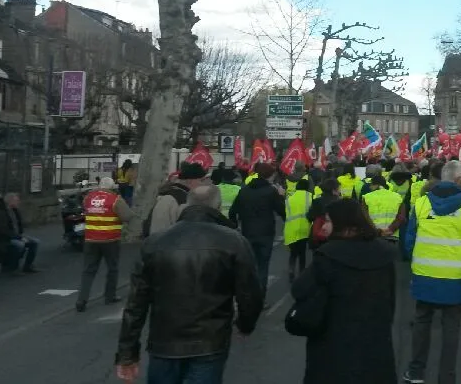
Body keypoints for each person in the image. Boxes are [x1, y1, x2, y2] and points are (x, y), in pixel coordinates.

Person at [115, 185, 263, 384]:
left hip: (164, 341)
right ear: (217, 206)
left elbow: (136, 303)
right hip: (210, 341)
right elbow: (250, 294)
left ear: (186, 205)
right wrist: (245, 325)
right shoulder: (233, 241)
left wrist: (127, 353)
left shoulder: (155, 243)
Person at [288, 198, 398, 383]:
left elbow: (300, 289)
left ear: (343, 224)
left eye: (328, 221)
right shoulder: (384, 254)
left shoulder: (328, 256)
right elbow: (390, 301)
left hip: (333, 349)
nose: (323, 227)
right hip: (375, 347)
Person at [403, 160, 461, 384]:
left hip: (424, 274)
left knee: (422, 322)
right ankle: (446, 376)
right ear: (459, 180)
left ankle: (416, 371)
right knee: (451, 328)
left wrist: (416, 263)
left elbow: (409, 240)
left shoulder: (420, 204)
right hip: (455, 277)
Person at [76, 178, 139, 312]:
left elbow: (86, 210)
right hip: (110, 240)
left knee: (88, 271)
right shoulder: (115, 199)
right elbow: (127, 216)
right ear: (112, 187)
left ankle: (82, 299)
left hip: (91, 240)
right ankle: (110, 296)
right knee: (112, 268)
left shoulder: (88, 198)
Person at [229, 162, 285, 295]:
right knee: (263, 266)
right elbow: (282, 211)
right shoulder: (271, 191)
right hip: (266, 233)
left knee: (249, 265)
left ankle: (247, 294)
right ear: (269, 176)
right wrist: (281, 197)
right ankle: (260, 296)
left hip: (247, 232)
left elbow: (232, 212)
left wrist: (235, 225)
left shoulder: (244, 190)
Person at [148, 162, 207, 235]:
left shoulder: (171, 195)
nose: (204, 184)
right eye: (201, 180)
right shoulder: (177, 199)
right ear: (189, 180)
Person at [0, 193, 40, 274]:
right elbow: (2, 230)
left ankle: (28, 266)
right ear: (10, 202)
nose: (18, 202)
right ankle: (12, 267)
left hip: (15, 236)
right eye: (16, 201)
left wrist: (20, 235)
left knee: (35, 242)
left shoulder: (15, 211)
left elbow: (18, 224)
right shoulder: (1, 213)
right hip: (4, 239)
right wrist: (18, 237)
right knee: (20, 244)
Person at [284, 177, 313, 283]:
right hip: (304, 229)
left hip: (291, 229)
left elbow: (285, 214)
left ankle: (291, 270)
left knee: (293, 253)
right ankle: (301, 273)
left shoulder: (289, 199)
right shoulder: (309, 197)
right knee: (302, 253)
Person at [362, 174, 405, 239]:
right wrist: (391, 229)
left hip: (374, 236)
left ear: (376, 185)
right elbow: (401, 217)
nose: (370, 187)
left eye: (371, 184)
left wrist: (378, 232)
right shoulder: (397, 197)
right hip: (392, 236)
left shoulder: (367, 197)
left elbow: (365, 217)